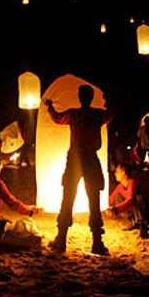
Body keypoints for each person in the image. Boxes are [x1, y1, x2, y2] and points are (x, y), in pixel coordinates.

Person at [44, 84, 112, 255]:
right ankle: (97, 241)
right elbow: (111, 113)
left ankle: (61, 240)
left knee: (68, 198)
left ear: (80, 98)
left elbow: (58, 118)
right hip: (91, 159)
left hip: (75, 159)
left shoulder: (74, 114)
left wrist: (50, 107)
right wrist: (109, 100)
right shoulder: (97, 115)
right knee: (94, 200)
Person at [0, 152, 42, 236]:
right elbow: (12, 202)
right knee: (13, 228)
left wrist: (28, 208)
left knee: (6, 223)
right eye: (0, 168)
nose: (0, 170)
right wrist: (29, 211)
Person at [106, 163, 149, 239]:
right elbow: (110, 199)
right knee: (117, 196)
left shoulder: (132, 182)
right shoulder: (120, 187)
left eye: (117, 172)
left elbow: (130, 200)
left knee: (138, 197)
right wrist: (105, 207)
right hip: (137, 213)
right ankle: (134, 222)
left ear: (123, 173)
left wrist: (115, 209)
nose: (115, 174)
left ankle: (143, 224)